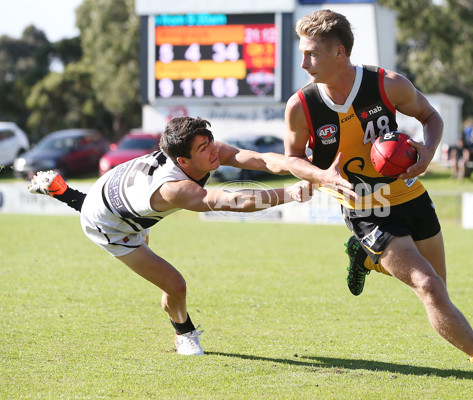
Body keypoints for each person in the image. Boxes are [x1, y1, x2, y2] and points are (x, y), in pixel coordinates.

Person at [284, 9, 473, 391]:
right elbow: (293, 159)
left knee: (440, 289)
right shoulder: (302, 106)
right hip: (365, 205)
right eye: (302, 53)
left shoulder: (388, 84)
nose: (303, 63)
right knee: (427, 286)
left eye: (311, 54)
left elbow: (431, 117)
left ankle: (365, 257)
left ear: (339, 52)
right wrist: (322, 175)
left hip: (411, 194)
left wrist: (427, 153)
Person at [28, 116, 312, 356]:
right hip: (109, 224)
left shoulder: (200, 151)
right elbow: (237, 201)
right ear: (182, 160)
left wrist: (304, 166)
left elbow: (261, 159)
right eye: (204, 147)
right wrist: (289, 193)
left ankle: (62, 191)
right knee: (175, 286)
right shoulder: (175, 189)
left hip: (118, 192)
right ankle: (183, 331)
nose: (214, 150)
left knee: (143, 242)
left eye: (211, 141)